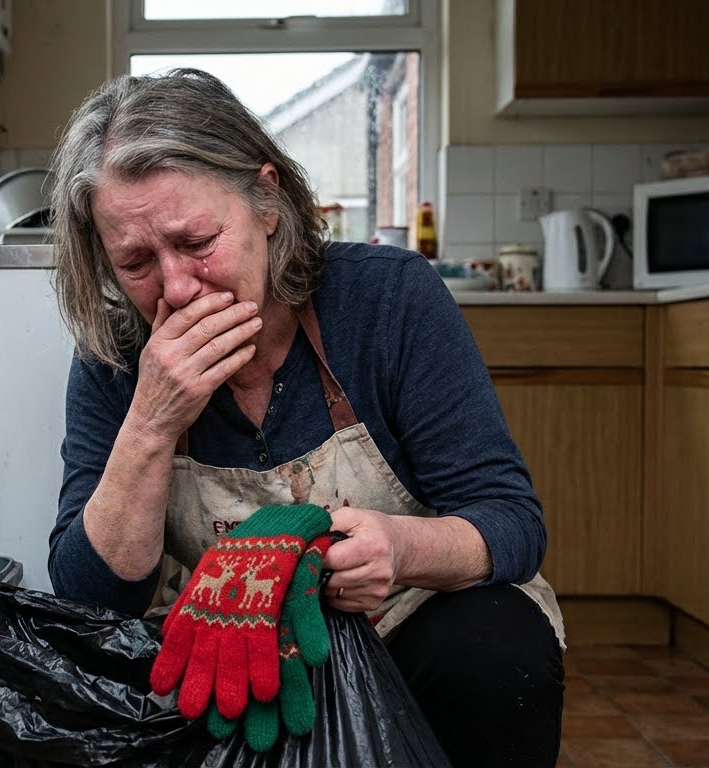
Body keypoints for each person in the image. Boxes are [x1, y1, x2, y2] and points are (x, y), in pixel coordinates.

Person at [45, 68, 565, 767]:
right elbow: (89, 598)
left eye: (197, 242)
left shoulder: (386, 302)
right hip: (226, 661)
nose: (173, 286)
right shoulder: (115, 354)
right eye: (135, 260)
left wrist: (399, 548)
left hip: (403, 630)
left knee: (496, 642)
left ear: (267, 199)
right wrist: (150, 422)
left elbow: (510, 523)